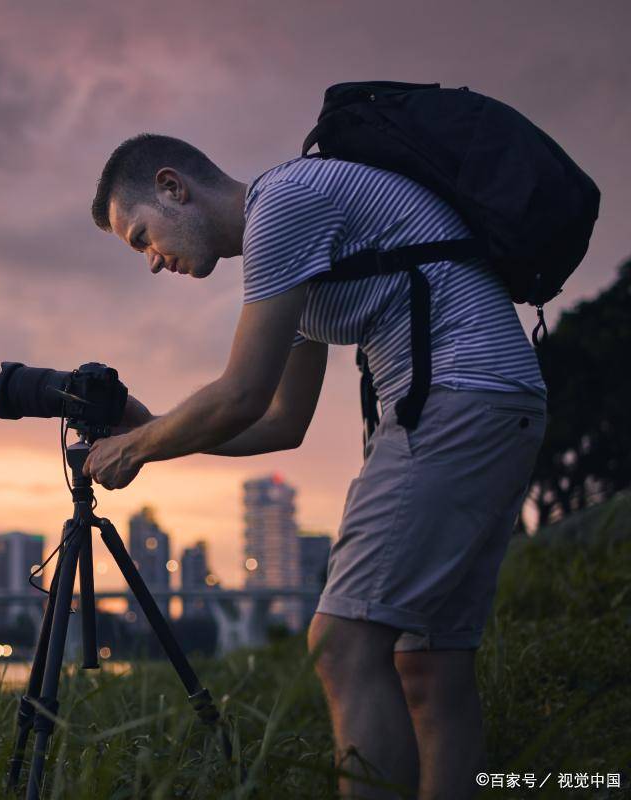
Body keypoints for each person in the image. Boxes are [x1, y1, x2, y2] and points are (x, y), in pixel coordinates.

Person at [81, 133, 547, 799]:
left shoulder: (284, 205)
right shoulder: (294, 257)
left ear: (172, 187)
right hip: (499, 401)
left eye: (140, 237)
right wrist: (150, 424)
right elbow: (277, 422)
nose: (152, 262)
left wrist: (141, 445)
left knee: (343, 642)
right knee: (429, 663)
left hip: (453, 400)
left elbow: (239, 393)